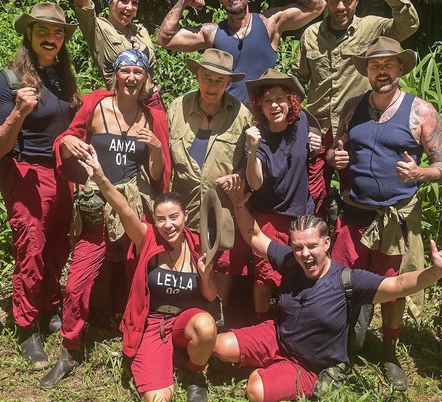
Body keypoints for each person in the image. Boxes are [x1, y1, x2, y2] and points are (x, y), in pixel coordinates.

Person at [213, 188, 442, 402]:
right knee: (220, 345)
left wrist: (436, 271)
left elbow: (397, 285)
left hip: (310, 365)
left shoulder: (347, 280)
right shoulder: (290, 262)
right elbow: (255, 235)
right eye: (298, 247)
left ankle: (283, 374)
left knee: (255, 390)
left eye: (312, 246)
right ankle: (272, 364)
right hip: (278, 338)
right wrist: (238, 203)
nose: (305, 254)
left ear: (327, 243)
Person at [326, 36, 442, 390]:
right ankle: (343, 349)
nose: (382, 71)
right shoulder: (352, 108)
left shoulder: (421, 111)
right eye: (375, 65)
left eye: (389, 64)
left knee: (394, 286)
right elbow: (339, 153)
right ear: (367, 70)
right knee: (342, 282)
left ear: (400, 68)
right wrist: (334, 160)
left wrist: (420, 173)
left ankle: (389, 351)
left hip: (395, 218)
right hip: (353, 213)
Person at [40, 49, 170, 388]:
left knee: (137, 272)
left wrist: (155, 146)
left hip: (134, 206)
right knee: (78, 280)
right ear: (115, 75)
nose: (131, 78)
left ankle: (137, 336)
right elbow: (68, 140)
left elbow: (157, 176)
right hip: (96, 203)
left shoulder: (152, 117)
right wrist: (69, 140)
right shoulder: (96, 105)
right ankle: (70, 348)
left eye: (137, 72)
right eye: (125, 71)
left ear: (145, 78)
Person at [77, 143, 218, 402]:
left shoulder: (197, 245)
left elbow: (210, 296)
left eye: (174, 217)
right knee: (158, 399)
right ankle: (163, 359)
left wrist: (205, 273)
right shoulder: (147, 239)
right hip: (152, 324)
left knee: (206, 326)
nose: (168, 225)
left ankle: (194, 373)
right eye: (161, 218)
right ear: (154, 219)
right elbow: (125, 209)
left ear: (185, 216)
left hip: (185, 321)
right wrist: (100, 177)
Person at [0, 2, 80, 367]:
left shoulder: (61, 76)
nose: (51, 38)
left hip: (61, 173)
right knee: (31, 250)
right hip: (26, 174)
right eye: (43, 31)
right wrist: (19, 111)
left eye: (57, 33)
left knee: (57, 246)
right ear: (29, 35)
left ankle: (49, 306)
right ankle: (26, 327)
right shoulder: (6, 81)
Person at [293, 0, 419, 217]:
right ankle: (315, 244)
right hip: (318, 128)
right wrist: (295, 120)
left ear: (357, 0)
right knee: (312, 191)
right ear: (327, 1)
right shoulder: (311, 35)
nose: (341, 7)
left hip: (359, 125)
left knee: (358, 187)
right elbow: (298, 79)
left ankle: (349, 242)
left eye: (348, 0)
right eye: (334, 0)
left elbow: (408, 25)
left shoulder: (372, 27)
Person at [157, 0, 325, 105]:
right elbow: (165, 39)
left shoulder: (269, 24)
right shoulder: (212, 32)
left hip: (264, 116)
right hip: (226, 118)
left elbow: (318, 6)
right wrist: (183, 1)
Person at [166, 48, 252, 308]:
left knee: (222, 264)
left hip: (222, 207)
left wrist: (238, 176)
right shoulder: (177, 107)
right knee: (186, 260)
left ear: (228, 83)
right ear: (197, 75)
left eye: (219, 81)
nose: (212, 86)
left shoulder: (242, 115)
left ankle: (219, 314)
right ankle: (186, 312)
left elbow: (250, 163)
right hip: (184, 203)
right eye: (207, 78)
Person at [243, 69, 320, 318]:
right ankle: (261, 324)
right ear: (259, 107)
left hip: (301, 215)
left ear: (291, 102)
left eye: (279, 99)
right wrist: (252, 151)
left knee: (303, 270)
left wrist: (317, 145)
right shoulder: (257, 136)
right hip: (269, 216)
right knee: (265, 276)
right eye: (267, 100)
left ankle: (294, 323)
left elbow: (311, 151)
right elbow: (254, 182)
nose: (274, 105)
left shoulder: (302, 122)